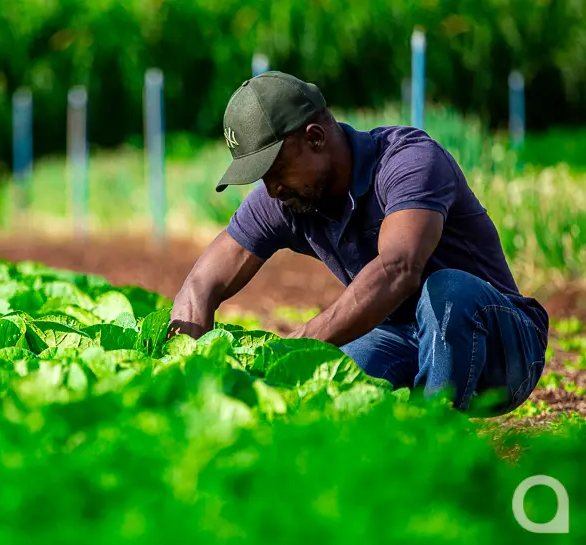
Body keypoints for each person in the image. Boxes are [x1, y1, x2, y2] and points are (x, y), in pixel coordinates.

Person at [167, 71, 549, 415]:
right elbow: (201, 284)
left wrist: (302, 341)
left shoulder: (408, 162)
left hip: (501, 345)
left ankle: (433, 441)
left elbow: (399, 269)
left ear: (314, 137)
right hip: (403, 339)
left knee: (447, 289)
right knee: (337, 384)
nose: (271, 188)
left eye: (275, 169)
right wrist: (190, 367)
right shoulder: (286, 198)